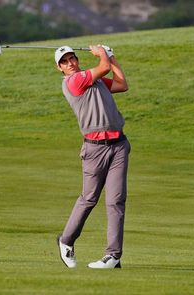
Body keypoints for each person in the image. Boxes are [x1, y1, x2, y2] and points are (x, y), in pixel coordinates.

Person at [55, 44, 131, 269]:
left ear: (77, 60)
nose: (70, 63)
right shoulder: (73, 82)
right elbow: (104, 67)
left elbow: (122, 85)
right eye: (65, 61)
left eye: (72, 58)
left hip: (118, 145)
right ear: (59, 68)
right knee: (89, 198)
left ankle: (113, 256)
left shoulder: (95, 81)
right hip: (94, 149)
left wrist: (112, 57)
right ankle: (66, 241)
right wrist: (103, 54)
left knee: (116, 201)